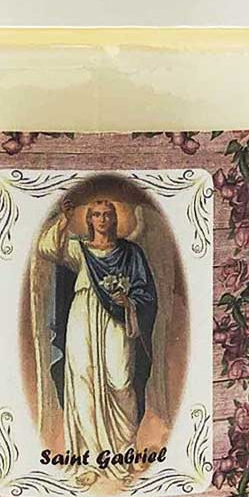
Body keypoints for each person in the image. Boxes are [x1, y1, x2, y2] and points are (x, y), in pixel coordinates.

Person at [35, 198, 158, 469]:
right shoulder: (79, 250)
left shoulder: (130, 252)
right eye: (97, 215)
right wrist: (64, 220)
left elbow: (146, 293)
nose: (102, 219)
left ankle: (125, 451)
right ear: (89, 220)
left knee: (121, 379)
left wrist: (129, 303)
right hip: (82, 314)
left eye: (107, 214)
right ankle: (90, 459)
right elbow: (46, 248)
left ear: (115, 219)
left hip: (118, 319)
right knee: (83, 380)